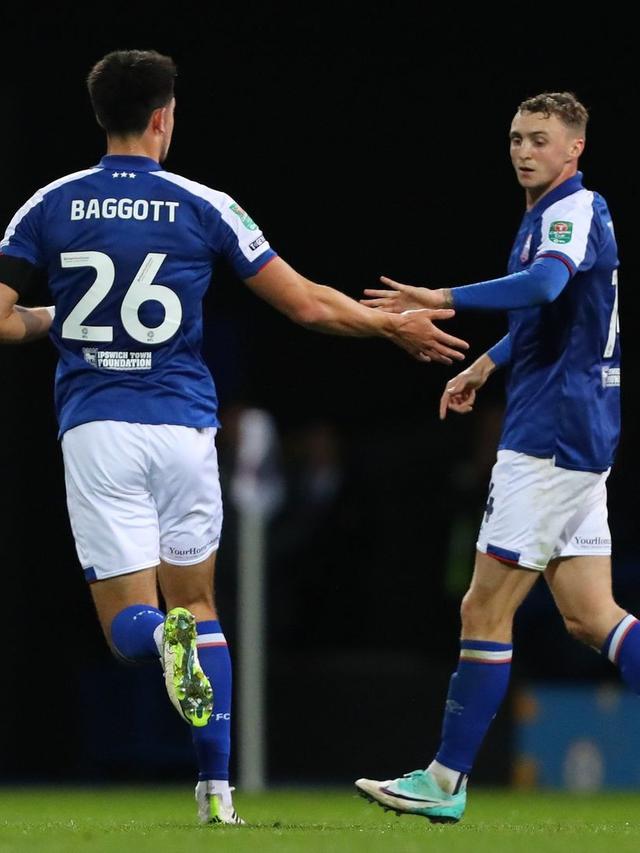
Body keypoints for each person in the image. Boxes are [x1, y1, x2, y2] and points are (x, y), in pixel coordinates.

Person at [0, 50, 469, 825]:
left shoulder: (47, 204)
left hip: (98, 428)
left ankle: (165, 645)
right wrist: (389, 325)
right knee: (200, 605)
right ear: (163, 116)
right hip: (185, 428)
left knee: (130, 628)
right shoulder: (204, 203)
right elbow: (308, 306)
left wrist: (63, 320)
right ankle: (217, 794)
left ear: (100, 114)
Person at [355, 92, 635, 824]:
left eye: (540, 139)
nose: (523, 150)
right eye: (515, 137)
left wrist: (441, 294)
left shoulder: (571, 209)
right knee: (592, 616)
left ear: (574, 149)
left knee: (483, 605)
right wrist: (487, 363)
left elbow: (545, 284)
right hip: (579, 432)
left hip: (550, 438)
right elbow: (556, 315)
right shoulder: (552, 215)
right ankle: (445, 780)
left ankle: (444, 781)